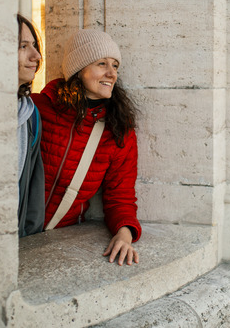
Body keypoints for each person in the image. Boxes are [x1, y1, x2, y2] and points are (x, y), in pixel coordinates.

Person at [32, 29, 141, 266]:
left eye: (115, 65)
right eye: (102, 63)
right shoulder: (38, 109)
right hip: (11, 230)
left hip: (55, 239)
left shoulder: (118, 129)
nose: (112, 74)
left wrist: (125, 234)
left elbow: (120, 195)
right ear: (78, 70)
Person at [16, 14, 46, 237]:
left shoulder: (30, 113)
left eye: (34, 46)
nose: (36, 56)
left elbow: (33, 189)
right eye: (23, 46)